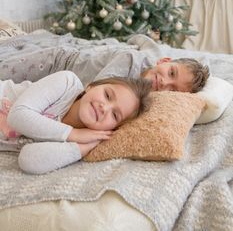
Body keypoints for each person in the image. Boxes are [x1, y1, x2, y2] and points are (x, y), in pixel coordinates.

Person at [0, 70, 151, 174]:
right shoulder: (67, 83)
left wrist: (84, 147)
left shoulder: (79, 140)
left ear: (112, 129)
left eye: (115, 115)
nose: (105, 108)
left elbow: (28, 160)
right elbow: (17, 116)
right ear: (90, 86)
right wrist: (73, 134)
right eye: (107, 95)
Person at [0, 45, 210, 93]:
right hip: (56, 62)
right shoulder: (130, 59)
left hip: (59, 83)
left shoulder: (147, 94)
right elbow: (94, 90)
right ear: (164, 61)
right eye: (171, 73)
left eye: (172, 90)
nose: (165, 83)